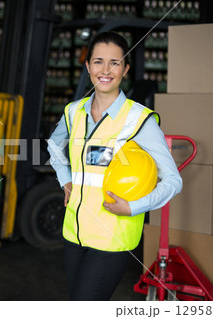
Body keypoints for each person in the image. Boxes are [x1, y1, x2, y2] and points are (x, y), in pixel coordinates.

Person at [47, 32, 182, 301]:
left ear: (125, 69)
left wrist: (133, 208)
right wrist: (66, 179)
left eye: (115, 63)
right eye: (98, 61)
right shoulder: (74, 111)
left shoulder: (139, 119)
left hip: (112, 239)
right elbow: (54, 144)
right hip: (74, 235)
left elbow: (173, 180)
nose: (105, 70)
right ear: (87, 67)